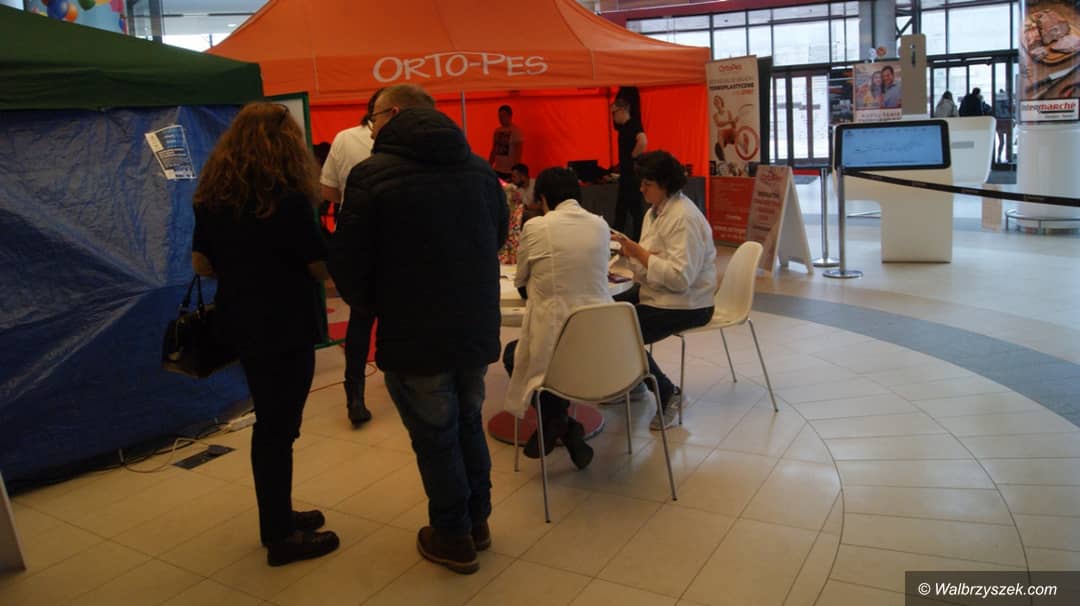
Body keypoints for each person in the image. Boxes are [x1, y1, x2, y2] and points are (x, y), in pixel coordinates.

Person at [328, 84, 508, 575]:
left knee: (435, 436)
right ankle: (477, 522)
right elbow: (496, 237)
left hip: (413, 330)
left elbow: (348, 261)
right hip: (473, 324)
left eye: (372, 118)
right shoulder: (479, 170)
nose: (370, 129)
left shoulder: (371, 176)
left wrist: (377, 303)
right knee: (467, 422)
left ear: (393, 113)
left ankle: (452, 535)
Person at [191, 102, 340, 567]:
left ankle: (278, 517)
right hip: (288, 323)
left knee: (271, 423)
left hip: (242, 322)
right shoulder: (289, 201)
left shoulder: (211, 198)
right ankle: (280, 536)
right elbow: (319, 268)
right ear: (286, 145)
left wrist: (242, 269)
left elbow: (201, 264)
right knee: (278, 429)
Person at [502, 167, 612, 470]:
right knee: (556, 356)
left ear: (543, 198)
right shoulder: (600, 225)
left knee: (513, 355)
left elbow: (521, 281)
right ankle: (565, 426)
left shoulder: (536, 227)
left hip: (556, 346)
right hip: (602, 344)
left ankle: (559, 422)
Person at [611, 150, 717, 430]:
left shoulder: (684, 218)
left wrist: (639, 253)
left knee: (620, 330)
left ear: (665, 184)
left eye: (648, 184)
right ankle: (634, 380)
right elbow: (652, 262)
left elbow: (681, 278)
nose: (641, 189)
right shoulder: (655, 212)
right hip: (660, 291)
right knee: (606, 312)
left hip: (690, 303)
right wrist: (629, 252)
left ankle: (668, 393)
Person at [319, 90, 384, 427]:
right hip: (397, 240)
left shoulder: (344, 138)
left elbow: (328, 192)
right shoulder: (406, 144)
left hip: (356, 239)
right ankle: (401, 380)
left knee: (361, 317)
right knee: (400, 314)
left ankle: (355, 395)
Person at [611, 97, 648, 241]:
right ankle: (618, 238)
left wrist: (633, 156)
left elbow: (643, 140)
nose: (613, 117)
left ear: (622, 110)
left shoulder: (633, 124)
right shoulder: (623, 128)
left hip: (631, 177)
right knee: (623, 210)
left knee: (634, 210)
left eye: (614, 112)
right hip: (626, 175)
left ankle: (639, 239)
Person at [489, 104, 524, 181]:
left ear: (510, 116)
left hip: (509, 171)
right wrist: (489, 165)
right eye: (499, 116)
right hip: (497, 169)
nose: (501, 118)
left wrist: (515, 171)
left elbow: (518, 153)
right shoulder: (497, 131)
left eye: (503, 116)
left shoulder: (516, 131)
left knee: (508, 188)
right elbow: (494, 150)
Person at [712, 95, 736, 161]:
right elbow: (719, 124)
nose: (716, 102)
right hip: (722, 137)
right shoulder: (715, 115)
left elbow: (733, 125)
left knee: (734, 132)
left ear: (721, 101)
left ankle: (744, 146)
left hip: (730, 134)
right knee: (720, 132)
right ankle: (723, 157)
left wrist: (734, 122)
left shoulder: (728, 112)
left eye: (717, 100)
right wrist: (730, 121)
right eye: (715, 101)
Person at [994, 89, 1014, 163]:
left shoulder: (996, 102)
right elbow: (1011, 111)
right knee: (1007, 141)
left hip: (1000, 122)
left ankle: (999, 157)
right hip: (1007, 121)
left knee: (1001, 142)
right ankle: (1008, 157)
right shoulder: (1007, 102)